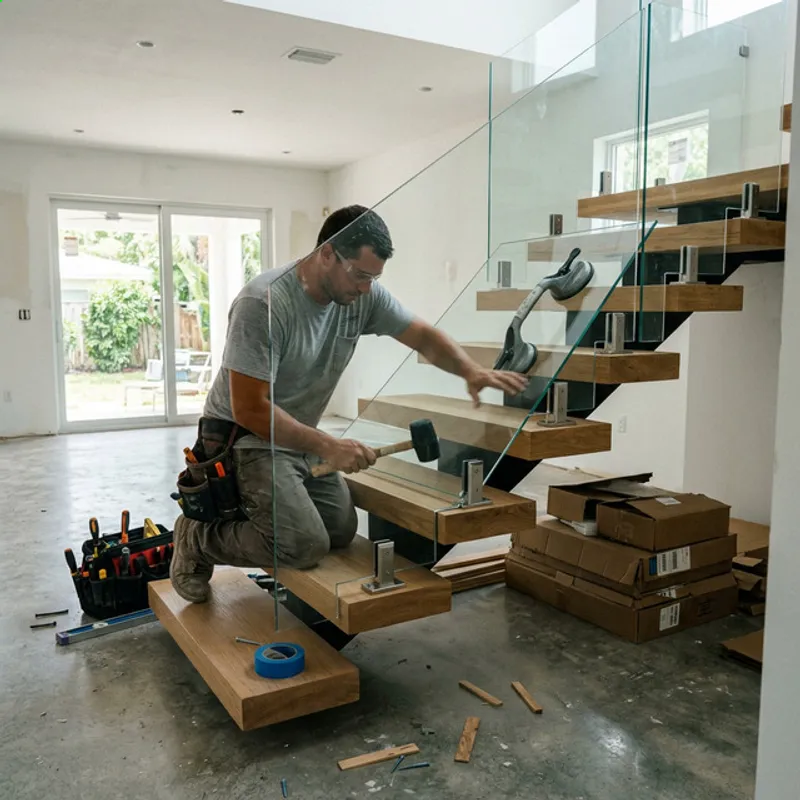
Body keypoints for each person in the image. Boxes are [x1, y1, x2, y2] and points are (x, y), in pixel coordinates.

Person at [170, 205, 527, 603]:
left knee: (339, 531)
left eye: (374, 278)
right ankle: (197, 536)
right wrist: (328, 445)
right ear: (326, 254)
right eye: (360, 275)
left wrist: (470, 372)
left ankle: (258, 513)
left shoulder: (360, 296)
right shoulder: (265, 303)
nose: (366, 289)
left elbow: (422, 336)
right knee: (303, 546)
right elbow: (250, 409)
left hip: (298, 438)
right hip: (246, 441)